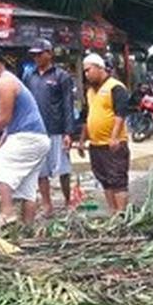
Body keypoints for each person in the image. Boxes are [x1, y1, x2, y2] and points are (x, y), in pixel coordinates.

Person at [0, 44, 51, 230]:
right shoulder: (10, 81)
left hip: (28, 137)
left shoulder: (4, 83)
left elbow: (3, 118)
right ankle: (27, 229)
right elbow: (12, 118)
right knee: (28, 188)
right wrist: (1, 142)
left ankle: (7, 213)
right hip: (36, 138)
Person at [25, 39, 78, 215]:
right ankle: (47, 205)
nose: (37, 57)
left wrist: (69, 132)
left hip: (57, 128)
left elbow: (68, 105)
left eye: (40, 54)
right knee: (41, 170)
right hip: (37, 130)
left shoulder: (61, 76)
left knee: (63, 168)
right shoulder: (29, 76)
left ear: (49, 53)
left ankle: (68, 200)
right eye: (34, 55)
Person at [81, 53, 131, 213]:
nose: (86, 74)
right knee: (105, 180)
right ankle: (113, 212)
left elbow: (120, 113)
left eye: (88, 70)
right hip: (96, 145)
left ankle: (121, 213)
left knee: (117, 179)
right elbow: (87, 116)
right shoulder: (90, 91)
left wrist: (114, 137)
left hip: (113, 144)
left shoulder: (115, 87)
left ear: (99, 67)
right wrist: (83, 140)